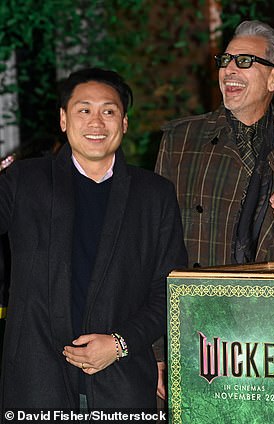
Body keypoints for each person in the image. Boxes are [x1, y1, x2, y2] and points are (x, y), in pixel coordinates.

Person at [0, 68, 187, 412]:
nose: (96, 122)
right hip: (37, 380)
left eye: (109, 111)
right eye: (84, 110)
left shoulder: (154, 194)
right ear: (63, 119)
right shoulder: (23, 181)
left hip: (123, 382)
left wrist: (120, 344)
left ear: (124, 123)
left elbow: (171, 291)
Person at [155, 20, 274, 268]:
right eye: (225, 60)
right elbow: (154, 235)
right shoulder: (181, 139)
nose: (228, 70)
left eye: (244, 61)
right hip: (197, 296)